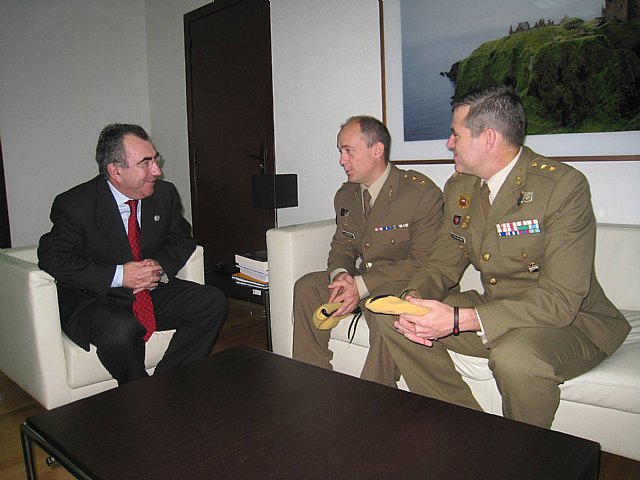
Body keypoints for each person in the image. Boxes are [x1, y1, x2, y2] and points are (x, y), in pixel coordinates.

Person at [375, 85, 630, 427]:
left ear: (489, 139)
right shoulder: (460, 188)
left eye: (455, 135)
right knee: (394, 318)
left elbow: (561, 300)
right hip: (496, 313)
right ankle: (468, 429)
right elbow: (442, 261)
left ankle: (525, 458)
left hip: (571, 323)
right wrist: (413, 297)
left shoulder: (562, 188)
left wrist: (458, 320)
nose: (449, 143)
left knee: (516, 357)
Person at [38, 123, 227, 385]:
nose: (157, 171)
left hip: (150, 292)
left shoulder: (165, 195)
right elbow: (53, 256)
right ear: (115, 171)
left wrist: (157, 269)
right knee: (121, 330)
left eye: (155, 159)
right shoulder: (75, 204)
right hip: (96, 299)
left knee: (212, 301)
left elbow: (182, 239)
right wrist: (119, 275)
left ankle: (169, 384)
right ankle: (138, 394)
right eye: (145, 163)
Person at [293, 115, 444, 387]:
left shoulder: (420, 194)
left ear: (377, 150)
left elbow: (425, 263)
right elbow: (342, 245)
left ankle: (375, 394)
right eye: (340, 151)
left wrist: (360, 285)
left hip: (403, 284)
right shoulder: (346, 195)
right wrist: (340, 275)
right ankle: (310, 381)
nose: (341, 160)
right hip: (362, 280)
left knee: (384, 309)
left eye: (348, 151)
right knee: (307, 287)